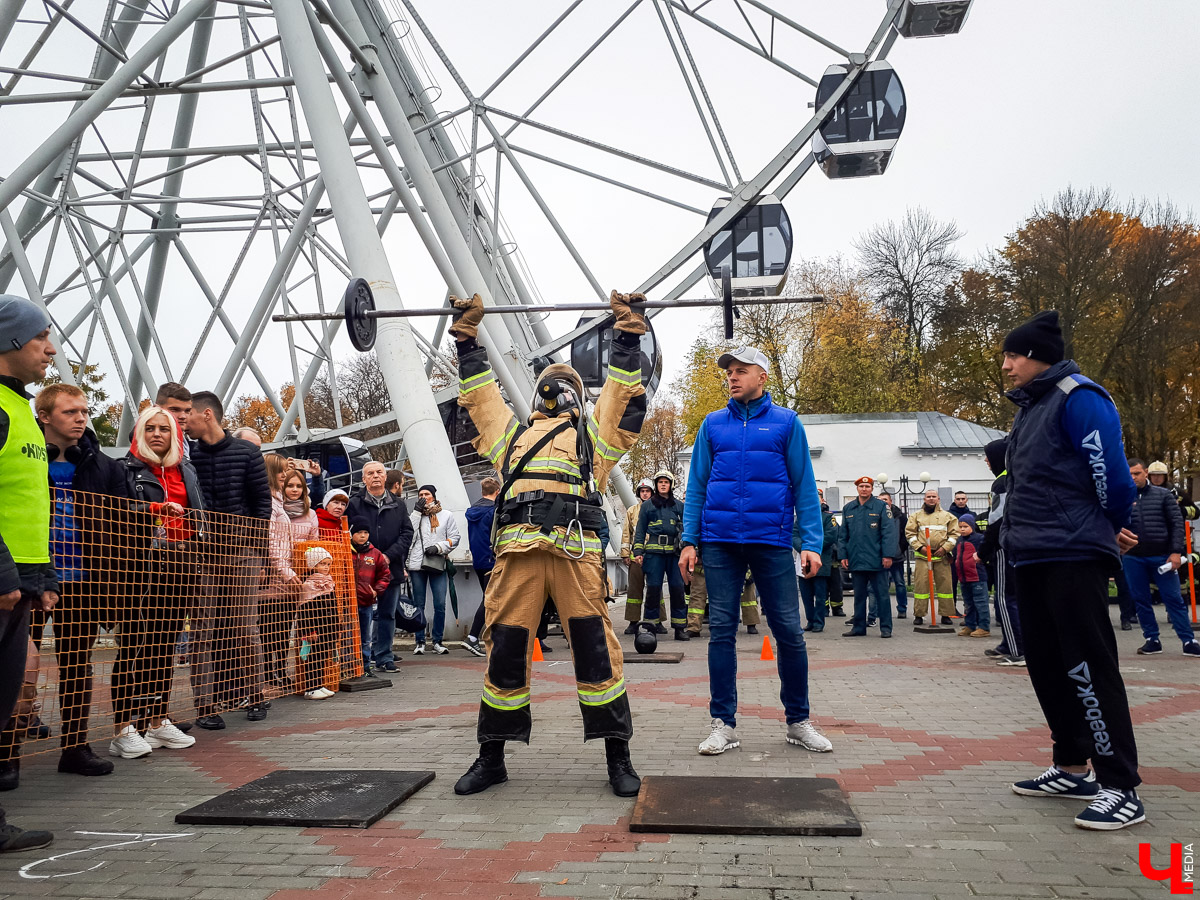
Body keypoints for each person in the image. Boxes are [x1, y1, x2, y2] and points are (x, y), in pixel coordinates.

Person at [448, 290, 647, 798]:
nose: (554, 390)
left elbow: (619, 396)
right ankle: (491, 757)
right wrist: (467, 340)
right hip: (520, 559)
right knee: (504, 652)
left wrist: (627, 337)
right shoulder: (512, 439)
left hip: (572, 556)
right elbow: (481, 399)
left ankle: (618, 756)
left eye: (564, 385)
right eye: (548, 385)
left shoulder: (591, 441)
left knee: (597, 653)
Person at [1000, 310, 1146, 830]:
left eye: (1013, 355)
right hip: (1032, 553)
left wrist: (1113, 525)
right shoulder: (1031, 407)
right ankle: (1071, 766)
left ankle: (1120, 785)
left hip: (1073, 554)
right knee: (1047, 664)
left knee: (1088, 667)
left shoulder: (1079, 397)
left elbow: (1112, 475)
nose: (1006, 365)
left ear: (1038, 356)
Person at [680, 345, 832, 756]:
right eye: (729, 371)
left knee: (789, 632)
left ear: (762, 377)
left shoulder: (786, 422)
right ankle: (723, 725)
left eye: (741, 370)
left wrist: (811, 543)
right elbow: (697, 486)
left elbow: (803, 485)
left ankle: (798, 721)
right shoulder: (712, 424)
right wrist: (690, 540)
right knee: (721, 633)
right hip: (719, 543)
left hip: (772, 541)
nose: (732, 376)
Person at [29, 384, 124, 777]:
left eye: (84, 411)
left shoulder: (105, 467)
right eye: (70, 412)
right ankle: (7, 753)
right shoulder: (26, 459)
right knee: (18, 667)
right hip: (30, 578)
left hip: (84, 582)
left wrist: (115, 588)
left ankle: (75, 748)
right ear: (45, 417)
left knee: (77, 666)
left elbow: (123, 530)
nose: (81, 418)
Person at [110, 406, 203, 758]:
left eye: (164, 428)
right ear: (139, 433)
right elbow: (116, 511)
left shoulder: (186, 469)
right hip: (142, 566)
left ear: (175, 434)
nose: (157, 434)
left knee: (165, 645)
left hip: (182, 562)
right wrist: (154, 511)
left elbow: (200, 511)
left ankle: (157, 720)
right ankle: (122, 728)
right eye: (149, 428)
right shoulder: (125, 469)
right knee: (134, 645)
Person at [0, 294, 59, 851]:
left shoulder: (20, 409)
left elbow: (25, 501)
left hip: (19, 582)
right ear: (12, 340)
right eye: (41, 336)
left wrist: (39, 579)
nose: (50, 348)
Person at [185, 390, 273, 727]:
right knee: (202, 629)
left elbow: (261, 505)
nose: (184, 421)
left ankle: (256, 695)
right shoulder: (187, 454)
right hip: (202, 551)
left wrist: (259, 554)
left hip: (241, 551)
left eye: (189, 414)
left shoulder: (247, 453)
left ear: (207, 414)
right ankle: (205, 706)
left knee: (244, 627)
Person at [1122, 459, 1198, 658]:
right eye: (1129, 474)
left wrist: (1176, 552)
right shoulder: (1121, 496)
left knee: (1173, 598)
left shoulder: (1164, 495)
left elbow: (1177, 524)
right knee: (1140, 599)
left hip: (1162, 556)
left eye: (1137, 473)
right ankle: (1152, 639)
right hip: (1132, 557)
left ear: (1145, 472)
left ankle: (1188, 641)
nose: (1133, 477)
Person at [345, 460, 412, 673]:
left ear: (385, 476)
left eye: (379, 472)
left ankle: (384, 656)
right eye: (370, 473)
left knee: (387, 614)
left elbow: (407, 533)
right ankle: (359, 659)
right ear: (363, 479)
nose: (375, 476)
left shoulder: (398, 504)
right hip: (360, 571)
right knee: (359, 615)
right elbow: (347, 533)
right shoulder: (354, 503)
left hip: (390, 568)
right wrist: (368, 555)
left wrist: (388, 556)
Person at [263, 462, 320, 679]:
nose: (294, 490)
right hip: (274, 575)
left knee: (285, 628)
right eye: (290, 485)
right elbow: (272, 542)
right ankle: (268, 672)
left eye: (299, 486)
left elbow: (314, 545)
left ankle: (280, 669)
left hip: (296, 578)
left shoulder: (310, 514)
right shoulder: (275, 507)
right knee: (269, 627)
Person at [976, 438, 1024, 666]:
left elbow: (996, 522)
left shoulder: (1001, 483)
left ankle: (1017, 650)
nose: (986, 461)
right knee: (1013, 598)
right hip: (1020, 545)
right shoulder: (1016, 476)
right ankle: (1008, 643)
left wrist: (982, 552)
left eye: (988, 457)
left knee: (1005, 599)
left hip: (1004, 547)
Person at [838, 476, 897, 639]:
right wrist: (843, 555)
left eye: (867, 486)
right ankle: (858, 627)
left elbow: (888, 533)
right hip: (856, 559)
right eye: (861, 486)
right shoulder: (849, 508)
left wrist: (887, 555)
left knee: (882, 595)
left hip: (877, 560)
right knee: (859, 596)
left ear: (872, 489)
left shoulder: (881, 507)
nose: (864, 489)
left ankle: (886, 628)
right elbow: (843, 535)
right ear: (857, 488)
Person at [634, 470, 688, 641]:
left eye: (666, 482)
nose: (663, 485)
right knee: (653, 589)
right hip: (653, 555)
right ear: (656, 485)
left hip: (674, 554)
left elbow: (687, 529)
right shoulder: (647, 506)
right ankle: (650, 627)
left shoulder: (679, 506)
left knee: (678, 589)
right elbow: (640, 530)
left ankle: (680, 628)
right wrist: (638, 552)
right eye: (660, 482)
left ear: (671, 485)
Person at [406, 484, 460, 655]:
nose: (423, 497)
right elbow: (408, 535)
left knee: (440, 604)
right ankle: (420, 641)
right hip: (417, 564)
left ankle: (437, 640)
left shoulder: (446, 515)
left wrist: (438, 547)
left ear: (434, 496)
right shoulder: (415, 515)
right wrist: (416, 513)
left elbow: (455, 537)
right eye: (420, 494)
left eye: (427, 494)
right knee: (418, 604)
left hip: (436, 562)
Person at [906, 488, 958, 626]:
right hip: (923, 557)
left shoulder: (948, 516)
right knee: (921, 587)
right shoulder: (916, 516)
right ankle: (919, 614)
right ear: (924, 499)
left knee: (945, 587)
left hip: (942, 557)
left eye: (933, 496)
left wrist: (945, 548)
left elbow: (954, 535)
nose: (931, 498)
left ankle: (946, 614)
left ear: (938, 499)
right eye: (928, 496)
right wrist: (920, 547)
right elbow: (910, 534)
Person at [463, 477, 500, 658]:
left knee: (490, 598)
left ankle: (492, 636)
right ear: (497, 492)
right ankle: (472, 636)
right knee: (490, 599)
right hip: (491, 560)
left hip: (478, 560)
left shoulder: (472, 511)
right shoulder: (493, 512)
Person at [350, 520, 391, 673]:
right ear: (351, 534)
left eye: (366, 533)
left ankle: (365, 667)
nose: (362, 536)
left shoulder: (375, 554)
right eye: (359, 532)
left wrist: (375, 591)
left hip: (366, 602)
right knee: (348, 636)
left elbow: (385, 575)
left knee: (365, 638)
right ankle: (348, 667)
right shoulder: (345, 551)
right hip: (347, 602)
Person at [297, 547, 337, 700]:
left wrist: (336, 625)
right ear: (313, 565)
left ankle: (319, 684)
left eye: (328, 564)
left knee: (322, 657)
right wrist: (309, 631)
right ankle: (311, 688)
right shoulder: (308, 585)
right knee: (313, 658)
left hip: (328, 627)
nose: (326, 567)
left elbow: (333, 607)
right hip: (315, 629)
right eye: (322, 564)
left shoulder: (329, 582)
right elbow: (305, 610)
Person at [796, 490, 837, 633]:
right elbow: (794, 534)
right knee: (806, 595)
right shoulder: (802, 516)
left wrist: (812, 549)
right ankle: (810, 621)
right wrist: (804, 548)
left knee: (820, 595)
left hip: (821, 560)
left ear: (822, 500)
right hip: (803, 561)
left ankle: (819, 622)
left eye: (817, 497)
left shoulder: (827, 517)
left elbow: (831, 536)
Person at [621, 479, 657, 634]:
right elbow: (626, 534)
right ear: (639, 493)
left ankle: (656, 621)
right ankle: (633, 621)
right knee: (634, 591)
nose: (645, 494)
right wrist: (625, 554)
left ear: (652, 493)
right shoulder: (632, 511)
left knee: (655, 589)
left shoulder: (658, 509)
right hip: (636, 557)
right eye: (642, 491)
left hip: (655, 555)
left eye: (648, 491)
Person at [953, 514, 989, 637]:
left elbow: (986, 552)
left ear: (972, 526)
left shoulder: (979, 539)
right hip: (964, 577)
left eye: (965, 526)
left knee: (981, 603)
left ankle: (984, 627)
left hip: (977, 576)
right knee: (968, 603)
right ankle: (970, 625)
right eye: (960, 527)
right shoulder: (959, 540)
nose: (962, 529)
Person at [878, 491, 908, 620]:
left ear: (891, 501)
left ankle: (902, 609)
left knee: (899, 584)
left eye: (885, 499)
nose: (883, 502)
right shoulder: (875, 515)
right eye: (880, 499)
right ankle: (881, 610)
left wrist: (900, 549)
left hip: (897, 557)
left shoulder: (900, 516)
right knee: (882, 585)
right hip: (880, 557)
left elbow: (906, 535)